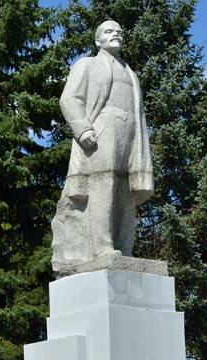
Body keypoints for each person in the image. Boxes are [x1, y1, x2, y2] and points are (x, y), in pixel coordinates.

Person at [51, 20, 154, 274]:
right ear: (98, 40)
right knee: (103, 184)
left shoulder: (131, 72)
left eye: (119, 31)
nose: (116, 34)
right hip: (102, 131)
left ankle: (124, 245)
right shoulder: (87, 65)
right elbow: (69, 98)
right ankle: (102, 246)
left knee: (127, 189)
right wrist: (83, 128)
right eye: (109, 32)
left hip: (131, 134)